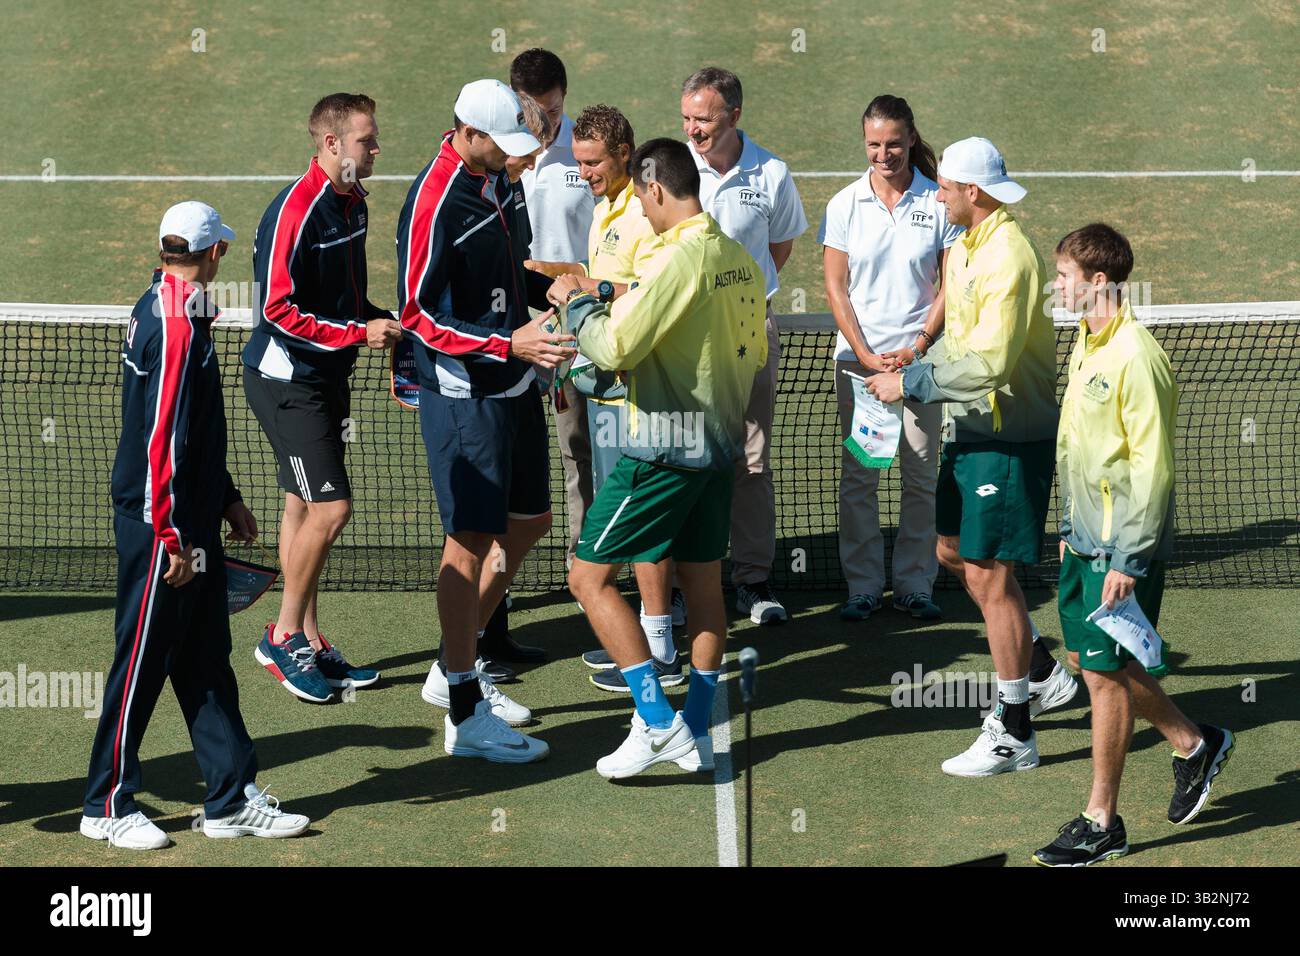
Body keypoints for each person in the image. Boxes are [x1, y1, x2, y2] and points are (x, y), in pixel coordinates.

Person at [81, 202, 309, 849]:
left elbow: (193, 426)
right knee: (141, 663)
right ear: (216, 255)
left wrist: (227, 496)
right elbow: (159, 440)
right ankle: (104, 802)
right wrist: (171, 537)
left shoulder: (166, 303)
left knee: (206, 659)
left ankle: (230, 798)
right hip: (165, 530)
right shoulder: (177, 324)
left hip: (194, 520)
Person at [555, 138, 767, 778]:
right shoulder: (734, 256)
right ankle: (697, 728)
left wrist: (576, 302)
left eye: (639, 201)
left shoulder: (675, 259)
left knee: (587, 578)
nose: (638, 216)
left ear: (652, 188)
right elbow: (746, 353)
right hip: (716, 450)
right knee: (703, 585)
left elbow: (616, 344)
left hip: (662, 452)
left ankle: (655, 720)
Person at [868, 137, 1077, 776]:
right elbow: (961, 337)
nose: (937, 195)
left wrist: (911, 384)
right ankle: (1041, 671)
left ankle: (1015, 727)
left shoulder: (1009, 257)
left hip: (1009, 435)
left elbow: (990, 362)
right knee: (953, 552)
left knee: (986, 570)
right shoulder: (964, 249)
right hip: (972, 428)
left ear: (974, 194)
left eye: (946, 188)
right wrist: (919, 357)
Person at [1033, 224, 1233, 866]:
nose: (1054, 286)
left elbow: (1151, 467)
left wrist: (1127, 556)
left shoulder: (1136, 356)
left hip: (1123, 548)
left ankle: (1102, 820)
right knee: (1102, 668)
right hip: (1084, 541)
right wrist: (1069, 528)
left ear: (1097, 282)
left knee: (1104, 673)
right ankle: (1194, 744)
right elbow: (1082, 450)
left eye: (1062, 275)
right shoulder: (1088, 344)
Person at [398, 79, 573, 762]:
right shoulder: (433, 201)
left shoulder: (500, 182)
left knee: (530, 522)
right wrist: (510, 342)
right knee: (469, 541)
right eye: (503, 146)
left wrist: (552, 285)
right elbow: (417, 313)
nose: (515, 158)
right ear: (467, 133)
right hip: (464, 390)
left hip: (513, 379)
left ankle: (453, 665)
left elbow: (512, 269)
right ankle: (466, 712)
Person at [242, 93, 401, 703]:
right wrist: (358, 333)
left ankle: (308, 636)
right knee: (332, 510)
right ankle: (282, 638)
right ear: (331, 144)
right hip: (289, 382)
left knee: (300, 508)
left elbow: (346, 295)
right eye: (367, 139)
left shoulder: (352, 201)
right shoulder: (296, 211)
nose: (377, 148)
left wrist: (382, 322)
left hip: (328, 374)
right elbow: (277, 310)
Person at [525, 104, 684, 693]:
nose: (586, 171)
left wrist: (580, 285)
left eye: (595, 163)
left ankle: (661, 647)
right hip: (607, 386)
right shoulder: (604, 210)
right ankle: (649, 636)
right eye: (580, 161)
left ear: (625, 155)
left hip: (640, 391)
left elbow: (652, 288)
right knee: (632, 519)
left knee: (646, 523)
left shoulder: (644, 216)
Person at [820, 95, 960, 624]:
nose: (884, 154)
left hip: (920, 366)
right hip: (861, 367)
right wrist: (864, 356)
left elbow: (950, 284)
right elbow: (836, 287)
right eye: (874, 145)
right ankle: (862, 587)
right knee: (861, 476)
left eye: (894, 144)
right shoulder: (844, 204)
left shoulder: (938, 202)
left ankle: (915, 584)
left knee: (921, 475)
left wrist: (919, 346)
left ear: (910, 139)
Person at [681, 66, 808, 625]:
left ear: (734, 115)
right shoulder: (676, 167)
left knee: (751, 458)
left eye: (703, 119)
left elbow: (778, 247)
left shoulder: (773, 173)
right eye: (686, 118)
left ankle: (752, 580)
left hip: (752, 330)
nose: (693, 130)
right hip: (686, 336)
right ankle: (686, 582)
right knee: (688, 455)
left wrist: (742, 296)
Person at [511, 48, 598, 587]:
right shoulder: (499, 155)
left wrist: (567, 284)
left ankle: (583, 564)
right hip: (509, 331)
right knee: (505, 454)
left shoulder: (587, 156)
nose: (544, 123)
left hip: (573, 327)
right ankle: (495, 582)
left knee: (579, 450)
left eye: (554, 108)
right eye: (533, 111)